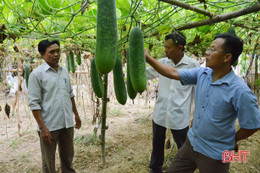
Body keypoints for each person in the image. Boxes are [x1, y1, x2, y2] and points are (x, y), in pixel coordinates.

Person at [145, 33, 260, 173]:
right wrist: (149, 59)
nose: (207, 52)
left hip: (215, 154)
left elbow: (253, 125)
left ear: (227, 57)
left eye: (212, 50)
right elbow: (174, 73)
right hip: (191, 144)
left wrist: (232, 139)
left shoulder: (240, 91)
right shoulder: (202, 74)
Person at [146, 32, 200, 173]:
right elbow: (145, 74)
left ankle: (184, 169)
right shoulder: (162, 63)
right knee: (157, 145)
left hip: (179, 116)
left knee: (183, 146)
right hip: (160, 113)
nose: (165, 50)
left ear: (180, 48)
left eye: (168, 47)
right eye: (165, 47)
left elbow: (197, 94)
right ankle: (155, 169)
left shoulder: (193, 65)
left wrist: (196, 117)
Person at [28, 40, 81, 173]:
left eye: (58, 51)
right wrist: (43, 128)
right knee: (48, 161)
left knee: (68, 157)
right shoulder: (36, 75)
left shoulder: (63, 71)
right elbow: (34, 104)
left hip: (66, 123)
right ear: (42, 54)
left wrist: (76, 115)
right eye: (51, 52)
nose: (56, 54)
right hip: (49, 126)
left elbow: (70, 95)